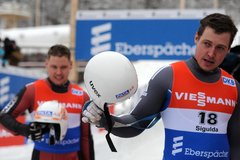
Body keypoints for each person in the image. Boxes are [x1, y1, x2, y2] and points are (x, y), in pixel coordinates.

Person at [82, 13, 240, 160]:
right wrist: (103, 120)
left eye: (220, 48)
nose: (211, 53)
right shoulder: (169, 77)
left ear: (228, 50)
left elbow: (236, 146)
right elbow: (136, 122)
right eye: (207, 44)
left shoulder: (234, 87)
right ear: (196, 38)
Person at [0, 44, 95, 160]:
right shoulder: (32, 90)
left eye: (63, 67)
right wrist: (25, 130)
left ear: (70, 65)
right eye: (54, 67)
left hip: (73, 156)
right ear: (46, 64)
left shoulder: (82, 96)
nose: (59, 72)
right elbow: (4, 116)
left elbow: (86, 137)